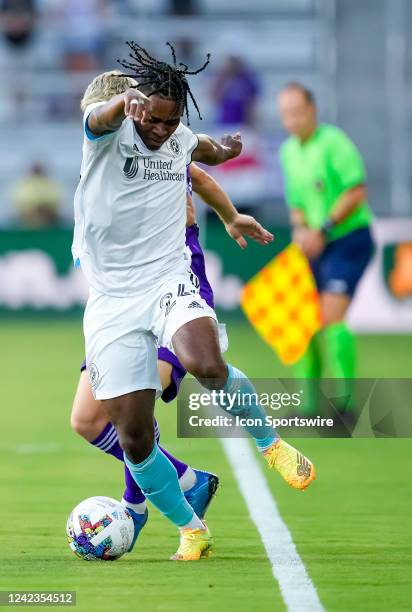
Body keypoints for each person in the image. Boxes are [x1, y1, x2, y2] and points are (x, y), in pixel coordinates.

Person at [73, 43, 315, 561]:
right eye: (154, 119)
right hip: (113, 301)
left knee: (205, 363)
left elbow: (199, 152)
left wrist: (225, 167)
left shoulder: (178, 136)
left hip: (167, 279)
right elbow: (96, 114)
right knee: (134, 438)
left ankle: (272, 445)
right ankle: (191, 528)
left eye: (172, 120)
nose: (162, 130)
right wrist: (124, 105)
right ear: (138, 108)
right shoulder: (105, 139)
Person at [277, 83, 374, 413]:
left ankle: (346, 403)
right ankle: (308, 405)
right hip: (315, 243)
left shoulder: (334, 143)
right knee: (301, 320)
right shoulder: (288, 151)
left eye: (296, 112)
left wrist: (324, 229)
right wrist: (302, 229)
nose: (291, 120)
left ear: (312, 111)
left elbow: (356, 191)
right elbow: (296, 202)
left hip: (348, 239)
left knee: (331, 315)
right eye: (285, 114)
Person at [11, 163, 62, 228]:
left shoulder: (50, 184)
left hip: (48, 215)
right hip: (28, 215)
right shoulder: (24, 184)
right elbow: (19, 203)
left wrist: (43, 207)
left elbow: (56, 201)